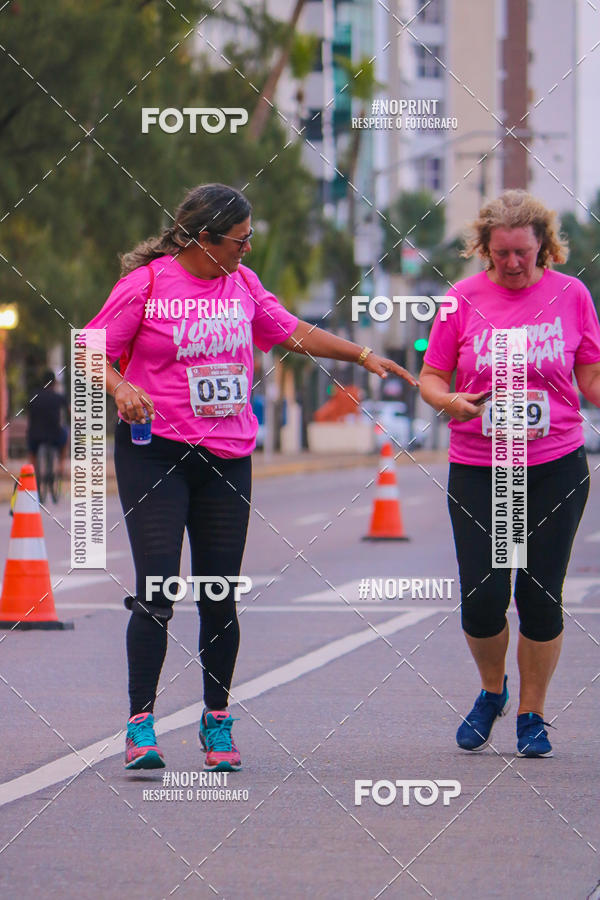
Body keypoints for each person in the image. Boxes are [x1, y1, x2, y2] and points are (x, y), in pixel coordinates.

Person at [86, 182, 417, 772]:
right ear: (204, 240)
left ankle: (217, 721)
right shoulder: (149, 285)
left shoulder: (242, 283)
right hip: (156, 452)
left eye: (250, 239)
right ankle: (141, 726)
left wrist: (363, 356)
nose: (247, 249)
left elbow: (292, 332)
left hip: (226, 459)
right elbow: (90, 349)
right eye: (239, 240)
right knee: (159, 589)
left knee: (219, 595)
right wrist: (121, 386)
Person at [420, 189, 600, 758]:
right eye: (501, 254)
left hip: (554, 466)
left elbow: (590, 378)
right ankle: (492, 690)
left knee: (540, 596)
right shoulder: (460, 300)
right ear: (484, 250)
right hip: (481, 468)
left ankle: (532, 713)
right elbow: (431, 377)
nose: (513, 264)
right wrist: (448, 402)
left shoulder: (572, 296)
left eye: (523, 252)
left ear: (544, 246)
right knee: (483, 598)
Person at [27, 370, 69, 480]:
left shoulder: (34, 396)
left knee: (32, 448)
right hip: (54, 434)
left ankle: (33, 471)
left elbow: (28, 411)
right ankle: (61, 466)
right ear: (54, 383)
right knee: (66, 433)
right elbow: (70, 410)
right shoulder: (58, 396)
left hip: (35, 435)